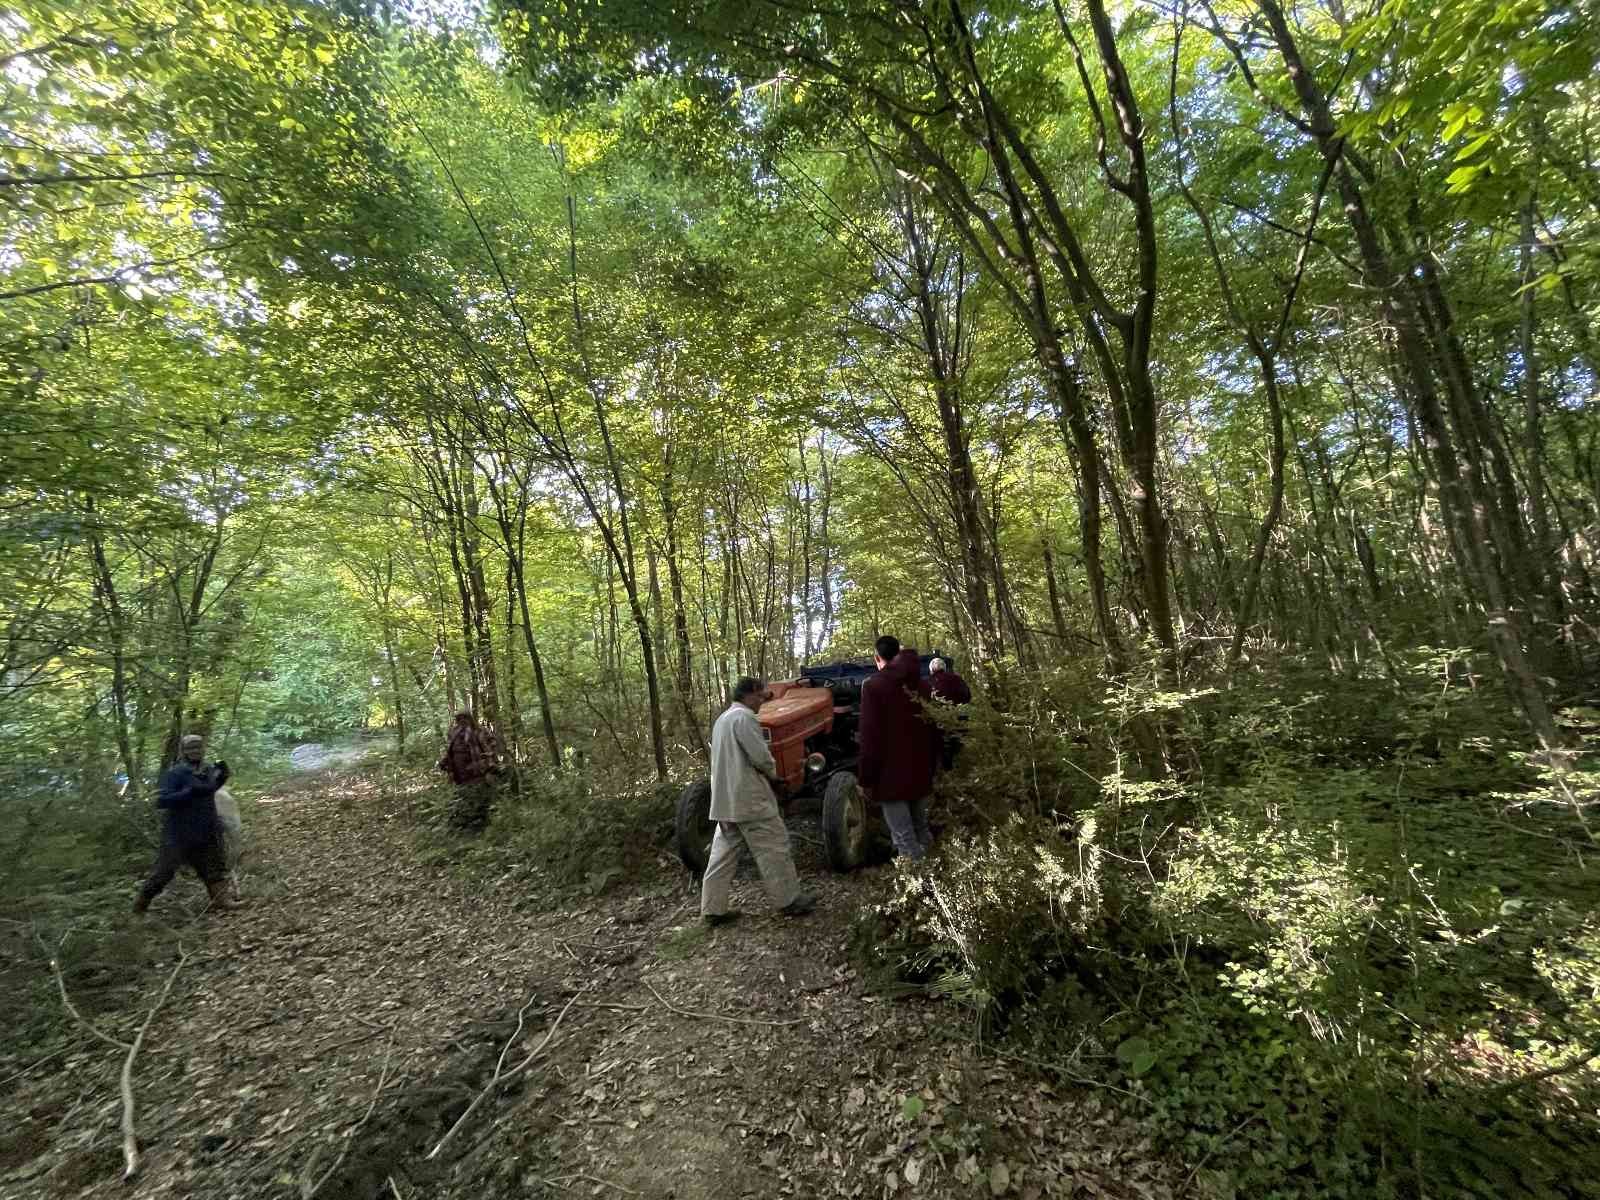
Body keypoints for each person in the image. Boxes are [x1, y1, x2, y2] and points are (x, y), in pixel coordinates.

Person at [700, 677, 818, 926]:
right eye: (761, 698)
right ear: (751, 694)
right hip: (750, 801)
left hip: (725, 803)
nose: (762, 704)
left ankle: (712, 910)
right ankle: (789, 901)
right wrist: (777, 779)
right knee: (774, 849)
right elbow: (761, 757)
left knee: (721, 858)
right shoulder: (744, 719)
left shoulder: (723, 720)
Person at [859, 635, 939, 860]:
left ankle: (920, 889)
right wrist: (933, 766)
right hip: (921, 768)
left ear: (878, 658)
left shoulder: (873, 686)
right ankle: (939, 881)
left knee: (904, 837)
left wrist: (866, 779)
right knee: (922, 828)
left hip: (890, 775)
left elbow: (869, 736)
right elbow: (933, 728)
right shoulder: (923, 685)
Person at [134, 733, 231, 913]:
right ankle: (139, 907)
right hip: (178, 833)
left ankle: (221, 901)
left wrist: (221, 777)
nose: (195, 751)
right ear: (183, 751)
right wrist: (185, 794)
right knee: (164, 873)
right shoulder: (175, 773)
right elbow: (161, 800)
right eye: (190, 748)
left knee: (214, 867)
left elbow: (208, 790)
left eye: (198, 747)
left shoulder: (207, 770)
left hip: (206, 828)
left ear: (203, 749)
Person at [437, 710, 499, 831]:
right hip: (460, 773)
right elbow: (450, 751)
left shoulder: (479, 731)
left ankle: (485, 824)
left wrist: (487, 760)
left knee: (481, 796)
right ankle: (469, 824)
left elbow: (492, 743)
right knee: (465, 796)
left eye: (464, 718)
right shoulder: (453, 733)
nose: (462, 721)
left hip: (477, 772)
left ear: (470, 718)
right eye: (459, 719)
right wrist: (446, 764)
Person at [928, 657, 972, 769]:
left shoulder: (928, 682)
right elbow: (967, 696)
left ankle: (946, 768)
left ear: (931, 670)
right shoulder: (957, 678)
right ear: (945, 668)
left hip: (939, 722)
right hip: (959, 718)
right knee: (956, 745)